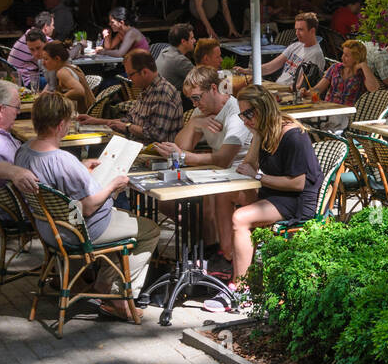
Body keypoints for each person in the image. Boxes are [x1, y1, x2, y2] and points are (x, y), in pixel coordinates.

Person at [16, 91, 161, 322]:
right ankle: (117, 296)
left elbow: (57, 188)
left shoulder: (24, 150)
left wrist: (82, 170)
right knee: (149, 229)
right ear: (61, 125)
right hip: (80, 230)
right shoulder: (62, 160)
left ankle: (104, 280)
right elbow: (89, 207)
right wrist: (114, 184)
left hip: (49, 227)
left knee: (123, 218)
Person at [216, 85, 321, 297]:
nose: (244, 120)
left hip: (297, 200)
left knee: (240, 218)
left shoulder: (293, 136)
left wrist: (258, 177)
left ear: (263, 109)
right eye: (241, 114)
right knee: (225, 195)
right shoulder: (265, 131)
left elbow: (298, 184)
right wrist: (255, 135)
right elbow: (249, 166)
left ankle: (241, 289)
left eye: (248, 114)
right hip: (275, 193)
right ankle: (231, 257)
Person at [152, 66, 256, 266]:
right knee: (167, 203)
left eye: (197, 98)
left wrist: (185, 157)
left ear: (214, 89)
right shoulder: (201, 111)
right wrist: (193, 125)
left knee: (204, 197)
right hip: (218, 175)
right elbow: (181, 149)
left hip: (240, 176)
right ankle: (205, 247)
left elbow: (224, 159)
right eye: (191, 100)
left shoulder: (235, 114)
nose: (194, 104)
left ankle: (217, 252)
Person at [80, 49, 182, 145]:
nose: (129, 78)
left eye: (130, 74)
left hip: (154, 154)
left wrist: (128, 127)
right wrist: (95, 121)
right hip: (135, 145)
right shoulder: (147, 89)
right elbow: (128, 120)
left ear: (144, 72)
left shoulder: (163, 93)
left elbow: (156, 135)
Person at [239, 12, 325, 91]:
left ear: (312, 31)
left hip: (289, 93)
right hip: (279, 87)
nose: (297, 33)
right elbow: (270, 67)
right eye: (296, 29)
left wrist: (270, 90)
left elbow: (301, 87)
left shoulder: (315, 54)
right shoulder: (296, 45)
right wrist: (247, 71)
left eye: (301, 30)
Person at [309, 40, 380, 107]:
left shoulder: (362, 73)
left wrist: (364, 65)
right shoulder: (335, 68)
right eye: (343, 53)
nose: (342, 57)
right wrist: (307, 93)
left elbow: (374, 89)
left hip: (348, 114)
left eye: (346, 56)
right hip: (328, 109)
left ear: (356, 58)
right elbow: (318, 89)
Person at [41, 41, 94, 113]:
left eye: (46, 59)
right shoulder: (73, 67)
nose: (43, 63)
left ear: (57, 59)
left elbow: (79, 91)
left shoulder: (62, 72)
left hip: (85, 116)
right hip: (90, 111)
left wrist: (58, 100)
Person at [7, 22, 51, 89]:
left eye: (38, 48)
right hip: (23, 80)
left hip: (25, 76)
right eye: (32, 50)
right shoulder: (30, 40)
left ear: (46, 42)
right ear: (45, 27)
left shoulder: (28, 36)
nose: (36, 53)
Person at [156, 23, 197, 91]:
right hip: (173, 100)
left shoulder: (164, 51)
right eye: (192, 38)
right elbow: (201, 80)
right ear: (183, 41)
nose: (195, 41)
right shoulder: (180, 60)